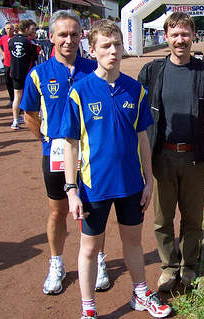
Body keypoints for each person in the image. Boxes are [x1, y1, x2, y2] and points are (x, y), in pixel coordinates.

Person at [61, 19, 171, 319]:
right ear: (92, 50)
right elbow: (70, 144)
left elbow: (143, 138)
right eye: (106, 46)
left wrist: (149, 181)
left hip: (132, 184)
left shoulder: (135, 90)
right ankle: (88, 308)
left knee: (132, 242)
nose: (113, 51)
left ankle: (139, 293)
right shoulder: (80, 91)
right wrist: (71, 190)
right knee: (89, 248)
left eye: (117, 45)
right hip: (93, 186)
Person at [20, 10, 110, 295]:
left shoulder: (93, 68)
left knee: (95, 209)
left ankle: (99, 259)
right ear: (51, 37)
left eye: (74, 34)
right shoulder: (39, 74)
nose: (69, 40)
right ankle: (56, 263)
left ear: (82, 35)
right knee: (58, 211)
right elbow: (30, 114)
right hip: (56, 154)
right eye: (63, 34)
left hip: (92, 156)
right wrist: (48, 141)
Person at [138, 12, 204, 291]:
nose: (180, 40)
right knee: (162, 218)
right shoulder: (152, 71)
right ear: (166, 37)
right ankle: (169, 266)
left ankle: (190, 265)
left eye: (185, 34)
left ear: (193, 35)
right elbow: (139, 115)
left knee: (193, 217)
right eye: (174, 34)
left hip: (194, 156)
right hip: (162, 156)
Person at [9, 20, 38, 130]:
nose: (33, 31)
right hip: (26, 73)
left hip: (15, 72)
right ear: (26, 29)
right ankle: (29, 119)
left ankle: (15, 120)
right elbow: (34, 58)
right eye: (32, 29)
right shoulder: (29, 43)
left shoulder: (11, 40)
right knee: (29, 96)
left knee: (17, 96)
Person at [0, 22, 15, 106]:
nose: (9, 30)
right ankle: (12, 99)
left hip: (15, 64)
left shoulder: (15, 38)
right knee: (8, 81)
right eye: (8, 28)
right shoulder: (3, 38)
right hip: (6, 63)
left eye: (11, 28)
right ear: (5, 29)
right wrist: (2, 53)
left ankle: (17, 100)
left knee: (15, 82)